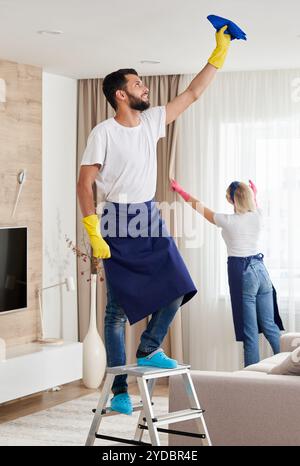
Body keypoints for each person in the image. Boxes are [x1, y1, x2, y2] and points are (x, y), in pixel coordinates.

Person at [77, 25, 233, 415]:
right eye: (138, 84)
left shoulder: (151, 122)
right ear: (120, 94)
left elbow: (193, 93)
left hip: (148, 215)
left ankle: (148, 348)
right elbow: (84, 184)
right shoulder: (103, 133)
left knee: (179, 286)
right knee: (116, 310)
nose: (145, 89)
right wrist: (93, 231)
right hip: (115, 218)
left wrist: (218, 54)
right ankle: (119, 391)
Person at [171, 178, 284, 367]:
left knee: (250, 332)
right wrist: (254, 195)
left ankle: (251, 380)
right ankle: (290, 370)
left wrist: (181, 191)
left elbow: (200, 208)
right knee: (270, 325)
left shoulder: (228, 221)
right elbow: (253, 206)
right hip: (261, 270)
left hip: (243, 272)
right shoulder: (258, 215)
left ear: (232, 200)